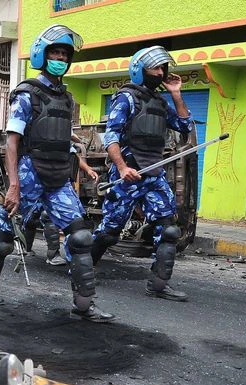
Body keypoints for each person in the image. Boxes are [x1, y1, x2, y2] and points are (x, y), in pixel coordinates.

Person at [0, 24, 114, 322]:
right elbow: (12, 141)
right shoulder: (28, 94)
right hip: (30, 174)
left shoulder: (66, 99)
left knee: (81, 236)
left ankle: (84, 305)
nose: (61, 59)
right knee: (4, 238)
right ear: (43, 55)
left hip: (58, 178)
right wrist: (13, 184)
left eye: (66, 54)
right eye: (56, 52)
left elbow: (61, 136)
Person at [91, 46, 192, 302]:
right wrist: (123, 168)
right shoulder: (126, 98)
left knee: (168, 229)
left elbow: (183, 125)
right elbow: (111, 137)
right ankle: (83, 269)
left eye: (162, 68)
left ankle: (158, 285)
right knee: (110, 231)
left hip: (153, 173)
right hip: (128, 174)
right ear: (139, 71)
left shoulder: (159, 102)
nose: (160, 73)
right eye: (154, 69)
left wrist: (176, 94)